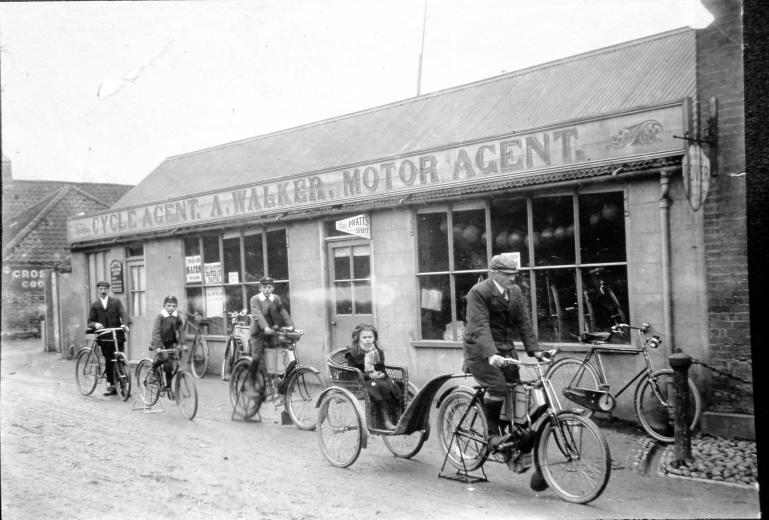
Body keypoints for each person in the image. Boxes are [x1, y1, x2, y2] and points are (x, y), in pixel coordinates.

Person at [462, 253, 548, 490]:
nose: (512, 278)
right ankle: (492, 435)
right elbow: (479, 326)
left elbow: (523, 321)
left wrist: (535, 351)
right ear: (494, 273)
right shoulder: (479, 292)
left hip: (505, 348)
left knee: (517, 391)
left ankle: (510, 445)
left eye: (514, 274)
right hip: (480, 350)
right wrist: (491, 354)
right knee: (498, 386)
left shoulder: (515, 292)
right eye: (508, 274)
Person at [345, 323, 402, 430]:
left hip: (377, 378)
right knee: (380, 386)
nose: (367, 340)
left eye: (370, 337)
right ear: (358, 339)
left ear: (374, 338)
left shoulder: (377, 352)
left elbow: (382, 368)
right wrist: (369, 375)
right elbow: (353, 373)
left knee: (395, 385)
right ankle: (386, 421)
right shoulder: (353, 353)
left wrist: (382, 374)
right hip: (361, 381)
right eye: (364, 337)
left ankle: (399, 417)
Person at [246, 276, 293, 396]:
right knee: (257, 357)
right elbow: (257, 314)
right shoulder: (255, 299)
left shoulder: (276, 299)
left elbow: (283, 312)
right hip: (258, 333)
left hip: (272, 331)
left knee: (276, 356)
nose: (267, 289)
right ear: (260, 288)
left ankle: (277, 384)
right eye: (264, 287)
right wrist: (265, 327)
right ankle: (251, 383)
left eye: (269, 287)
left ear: (273, 288)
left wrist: (291, 326)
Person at [87, 280, 130, 396]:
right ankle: (112, 385)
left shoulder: (116, 302)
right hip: (105, 337)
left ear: (108, 290)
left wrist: (124, 324)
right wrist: (96, 324)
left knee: (120, 359)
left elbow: (123, 314)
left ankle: (123, 386)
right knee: (109, 361)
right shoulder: (95, 305)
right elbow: (90, 321)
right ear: (98, 290)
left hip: (117, 336)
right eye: (101, 289)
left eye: (105, 289)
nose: (103, 291)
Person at [150, 296, 185, 390]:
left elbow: (181, 331)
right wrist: (158, 346)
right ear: (164, 306)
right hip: (159, 342)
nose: (171, 308)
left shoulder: (177, 317)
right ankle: (153, 368)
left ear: (176, 307)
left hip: (170, 343)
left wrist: (181, 343)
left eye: (173, 306)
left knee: (169, 365)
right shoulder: (160, 316)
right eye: (168, 306)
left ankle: (168, 387)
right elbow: (156, 332)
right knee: (165, 357)